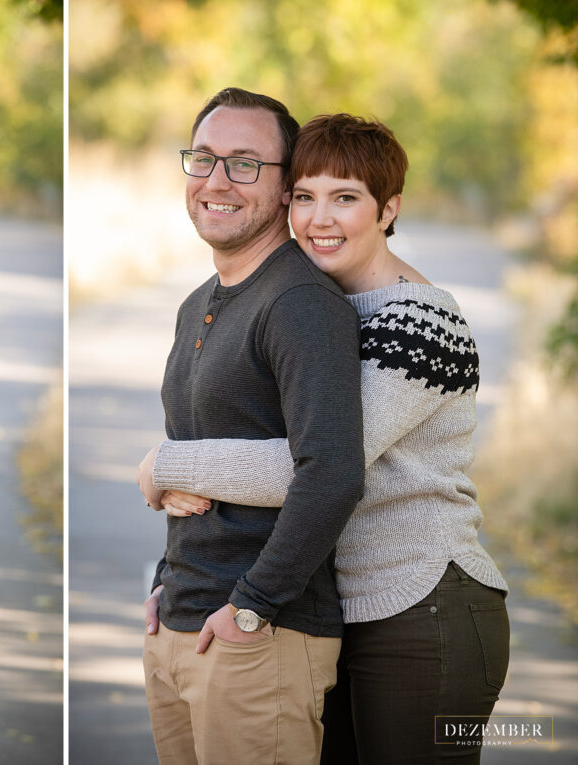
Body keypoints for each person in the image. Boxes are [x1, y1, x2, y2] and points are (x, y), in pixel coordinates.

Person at [141, 114, 510, 763]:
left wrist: (167, 464)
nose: (320, 218)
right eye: (307, 196)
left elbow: (316, 465)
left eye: (346, 198)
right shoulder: (316, 304)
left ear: (388, 209)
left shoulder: (420, 319)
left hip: (424, 606)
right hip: (337, 607)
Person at [135, 88, 365, 764]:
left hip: (261, 636)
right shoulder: (195, 304)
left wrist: (250, 607)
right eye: (203, 159)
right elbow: (195, 455)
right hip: (181, 621)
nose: (216, 181)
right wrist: (162, 581)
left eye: (244, 163)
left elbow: (331, 471)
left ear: (286, 185)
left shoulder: (300, 303)